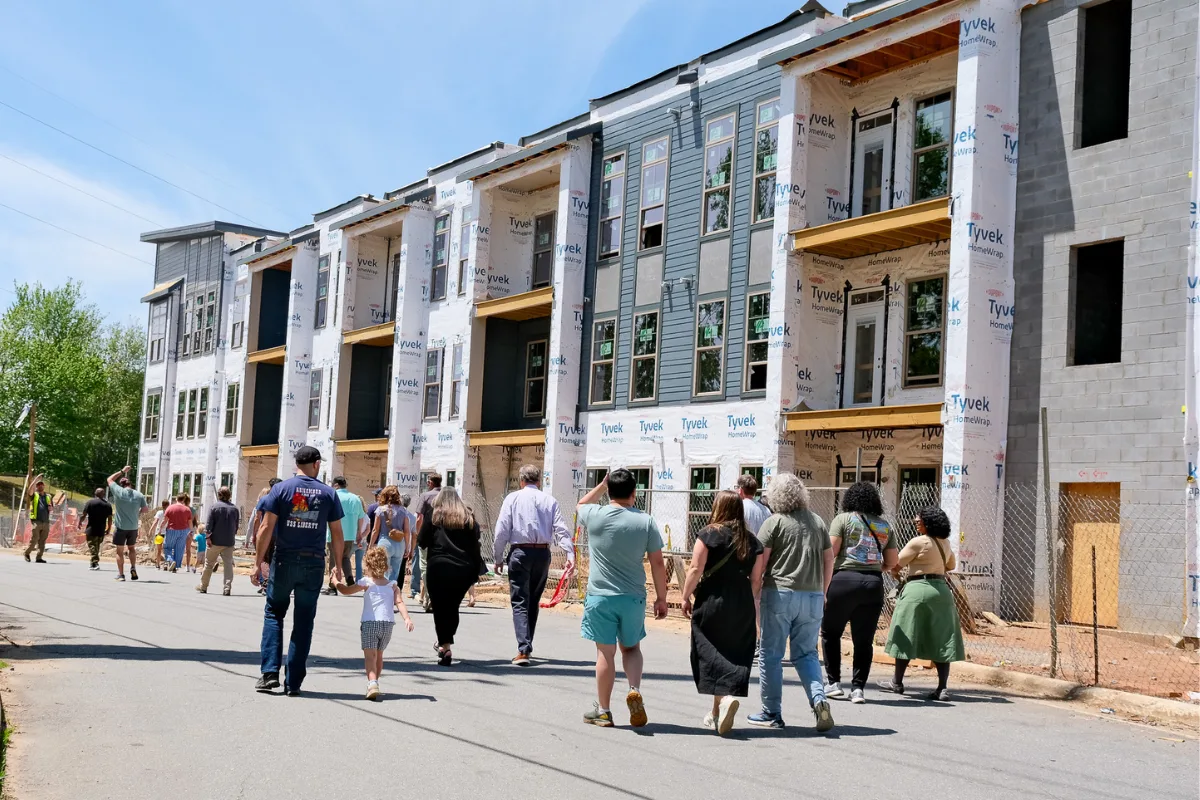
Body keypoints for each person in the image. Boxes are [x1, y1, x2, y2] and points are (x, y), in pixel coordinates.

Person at [576, 470, 667, 728]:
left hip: (600, 596)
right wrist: (661, 597)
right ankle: (633, 688)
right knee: (632, 648)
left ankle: (603, 710)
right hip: (633, 597)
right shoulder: (645, 521)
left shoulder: (595, 516)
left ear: (610, 492)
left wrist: (601, 487)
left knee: (605, 653)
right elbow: (658, 562)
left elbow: (581, 504)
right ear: (634, 492)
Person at [252, 446, 345, 695]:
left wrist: (257, 563)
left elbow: (265, 529)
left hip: (284, 561)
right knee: (304, 621)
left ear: (297, 465)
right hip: (313, 563)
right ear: (315, 464)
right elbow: (337, 533)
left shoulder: (280, 489)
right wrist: (336, 566)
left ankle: (269, 672)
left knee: (274, 613)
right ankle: (293, 682)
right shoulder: (328, 493)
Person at [746, 473, 835, 732]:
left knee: (771, 655)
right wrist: (823, 590)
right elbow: (829, 559)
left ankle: (772, 711)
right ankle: (819, 699)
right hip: (813, 596)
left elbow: (760, 565)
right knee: (807, 654)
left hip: (779, 594)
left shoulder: (774, 523)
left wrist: (753, 593)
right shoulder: (817, 522)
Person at [680, 490, 765, 736]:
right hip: (741, 601)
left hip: (712, 600)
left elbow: (696, 568)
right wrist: (748, 603)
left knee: (709, 650)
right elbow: (757, 580)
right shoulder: (752, 541)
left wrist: (685, 596)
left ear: (718, 507)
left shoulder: (708, 534)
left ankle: (725, 700)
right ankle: (717, 711)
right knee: (734, 651)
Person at [821, 481, 899, 704]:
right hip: (873, 584)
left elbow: (831, 551)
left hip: (843, 581)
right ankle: (858, 689)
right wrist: (877, 568)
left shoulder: (843, 519)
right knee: (863, 640)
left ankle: (834, 683)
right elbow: (892, 561)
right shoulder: (884, 526)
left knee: (830, 632)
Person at [493, 464, 575, 665]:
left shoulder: (512, 499)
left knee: (520, 599)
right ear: (539, 481)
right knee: (533, 599)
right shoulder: (550, 500)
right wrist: (569, 554)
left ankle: (523, 648)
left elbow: (502, 530)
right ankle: (526, 645)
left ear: (521, 481)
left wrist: (497, 557)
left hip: (520, 552)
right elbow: (561, 529)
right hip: (542, 554)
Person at [881, 507, 965, 701]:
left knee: (906, 632)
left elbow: (896, 563)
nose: (916, 519)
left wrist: (895, 573)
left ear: (929, 522)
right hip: (942, 592)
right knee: (942, 636)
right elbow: (950, 566)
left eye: (920, 518)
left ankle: (897, 682)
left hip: (917, 590)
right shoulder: (945, 543)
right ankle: (942, 687)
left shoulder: (918, 542)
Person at [335, 546, 415, 700]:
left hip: (370, 623)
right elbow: (399, 602)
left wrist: (336, 582)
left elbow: (346, 591)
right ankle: (375, 682)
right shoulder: (392, 585)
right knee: (378, 655)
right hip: (387, 625)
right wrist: (407, 619)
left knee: (369, 656)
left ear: (368, 566)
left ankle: (372, 683)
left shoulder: (366, 582)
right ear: (386, 566)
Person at [417, 487, 483, 667]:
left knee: (440, 609)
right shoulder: (468, 517)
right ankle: (445, 641)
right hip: (463, 569)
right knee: (453, 607)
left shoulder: (434, 515)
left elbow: (422, 541)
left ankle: (445, 646)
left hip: (438, 566)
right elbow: (476, 540)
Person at [106, 467, 148, 581]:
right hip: (133, 527)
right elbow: (145, 509)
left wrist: (122, 471)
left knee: (119, 551)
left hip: (121, 527)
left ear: (121, 484)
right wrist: (136, 514)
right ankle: (133, 567)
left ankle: (121, 574)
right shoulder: (139, 495)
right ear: (131, 485)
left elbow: (109, 479)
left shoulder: (118, 491)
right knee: (132, 548)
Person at [325, 477, 365, 595]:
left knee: (333, 559)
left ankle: (333, 586)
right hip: (349, 534)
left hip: (334, 534)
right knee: (345, 558)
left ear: (336, 485)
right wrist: (359, 533)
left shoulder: (332, 496)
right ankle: (349, 580)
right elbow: (361, 517)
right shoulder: (355, 498)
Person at [197, 486, 239, 596]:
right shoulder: (234, 509)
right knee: (228, 565)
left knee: (208, 564)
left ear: (219, 495)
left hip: (215, 541)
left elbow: (209, 525)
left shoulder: (214, 507)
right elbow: (236, 526)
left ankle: (203, 586)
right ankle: (227, 588)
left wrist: (208, 538)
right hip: (229, 541)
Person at [369, 486, 410, 587]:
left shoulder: (380, 510)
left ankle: (384, 594)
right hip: (399, 544)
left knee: (383, 571)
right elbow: (407, 531)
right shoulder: (403, 510)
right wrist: (407, 546)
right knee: (395, 573)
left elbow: (375, 530)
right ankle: (392, 593)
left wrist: (370, 545)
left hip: (385, 542)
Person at [414, 473, 442, 610]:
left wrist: (416, 535)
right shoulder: (448, 497)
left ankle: (430, 596)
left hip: (427, 535)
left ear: (431, 482)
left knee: (425, 567)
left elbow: (419, 518)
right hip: (444, 537)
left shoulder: (425, 496)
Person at [248, 479, 282, 593]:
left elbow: (257, 518)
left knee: (262, 558)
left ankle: (267, 581)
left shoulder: (264, 499)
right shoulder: (283, 500)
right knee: (274, 558)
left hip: (266, 533)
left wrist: (255, 533)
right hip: (279, 534)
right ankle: (272, 582)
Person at [78, 487, 112, 571]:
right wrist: (109, 528)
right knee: (96, 546)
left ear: (95, 493)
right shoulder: (107, 505)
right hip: (101, 529)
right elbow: (110, 518)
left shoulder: (90, 503)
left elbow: (84, 514)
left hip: (91, 528)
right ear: (103, 494)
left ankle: (95, 562)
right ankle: (92, 563)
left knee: (92, 546)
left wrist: (80, 522)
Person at [24, 474, 52, 563]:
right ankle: (27, 553)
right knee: (35, 539)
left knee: (42, 541)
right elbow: (29, 491)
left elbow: (51, 507)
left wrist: (50, 508)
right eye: (38, 485)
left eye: (41, 484)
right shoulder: (35, 495)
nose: (40, 486)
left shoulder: (48, 496)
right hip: (36, 521)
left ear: (44, 486)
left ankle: (39, 557)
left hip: (46, 521)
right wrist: (35, 480)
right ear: (36, 487)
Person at [163, 494, 193, 573]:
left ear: (176, 499)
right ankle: (176, 566)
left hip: (172, 530)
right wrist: (191, 531)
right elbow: (190, 522)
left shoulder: (170, 507)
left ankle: (170, 560)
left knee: (168, 547)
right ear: (183, 500)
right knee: (179, 549)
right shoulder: (187, 509)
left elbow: (165, 520)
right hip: (184, 531)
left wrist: (160, 528)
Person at [404, 493, 422, 599]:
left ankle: (415, 590)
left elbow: (413, 533)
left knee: (416, 565)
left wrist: (410, 547)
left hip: (419, 541)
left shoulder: (416, 515)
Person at [363, 488, 382, 583]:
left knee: (372, 561)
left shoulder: (373, 507)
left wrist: (368, 540)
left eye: (375, 495)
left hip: (373, 539)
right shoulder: (390, 507)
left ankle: (372, 580)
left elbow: (369, 523)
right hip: (383, 539)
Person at [152, 500, 168, 569]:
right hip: (167, 532)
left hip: (158, 533)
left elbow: (155, 521)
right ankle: (165, 564)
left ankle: (158, 564)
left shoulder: (159, 512)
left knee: (158, 550)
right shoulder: (169, 513)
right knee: (166, 549)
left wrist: (151, 529)